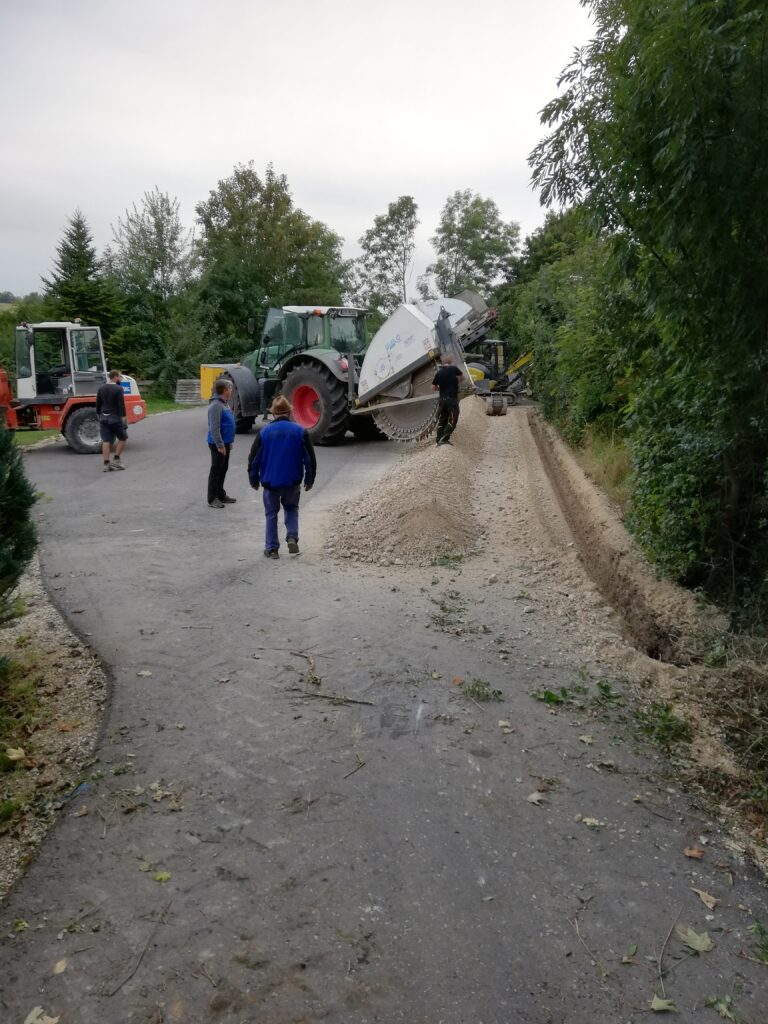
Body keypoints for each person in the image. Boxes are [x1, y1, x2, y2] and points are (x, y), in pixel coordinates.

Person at [247, 395, 316, 559]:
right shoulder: (300, 431)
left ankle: (272, 549)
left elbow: (253, 459)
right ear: (289, 411)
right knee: (291, 509)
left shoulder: (264, 433)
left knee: (271, 514)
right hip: (292, 482)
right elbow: (309, 459)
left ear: (273, 413)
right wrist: (309, 479)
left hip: (270, 483)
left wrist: (253, 479)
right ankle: (292, 537)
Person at [207, 378, 237, 508]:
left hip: (225, 443)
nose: (231, 391)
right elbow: (215, 428)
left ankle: (220, 494)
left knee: (223, 469)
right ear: (224, 390)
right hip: (217, 444)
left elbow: (227, 424)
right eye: (230, 388)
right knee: (216, 470)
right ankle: (212, 498)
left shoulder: (224, 403)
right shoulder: (216, 405)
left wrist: (229, 442)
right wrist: (220, 445)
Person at [96, 369, 128, 472]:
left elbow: (98, 404)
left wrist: (99, 415)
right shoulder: (118, 389)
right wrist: (124, 419)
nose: (121, 378)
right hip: (115, 418)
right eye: (120, 376)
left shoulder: (101, 388)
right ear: (114, 377)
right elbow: (121, 405)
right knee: (123, 438)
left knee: (106, 441)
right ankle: (116, 460)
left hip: (103, 418)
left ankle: (106, 464)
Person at [432, 354, 464, 445]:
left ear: (443, 362)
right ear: (450, 361)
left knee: (443, 419)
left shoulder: (439, 372)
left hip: (442, 400)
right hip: (452, 400)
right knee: (453, 420)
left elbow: (433, 387)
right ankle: (444, 439)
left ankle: (438, 439)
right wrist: (456, 382)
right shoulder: (454, 369)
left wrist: (441, 388)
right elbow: (462, 378)